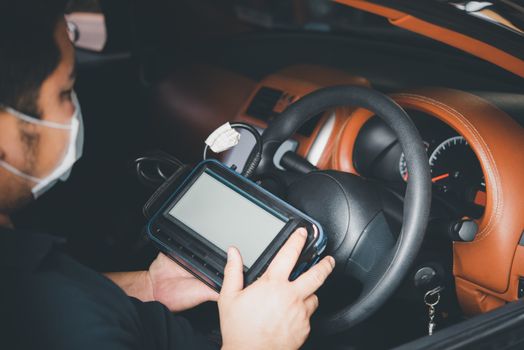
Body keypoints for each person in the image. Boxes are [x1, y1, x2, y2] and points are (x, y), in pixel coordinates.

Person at [0, 1, 335, 349]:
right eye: (64, 91)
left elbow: (62, 293)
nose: (74, 107)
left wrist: (145, 288)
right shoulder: (76, 329)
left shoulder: (25, 271)